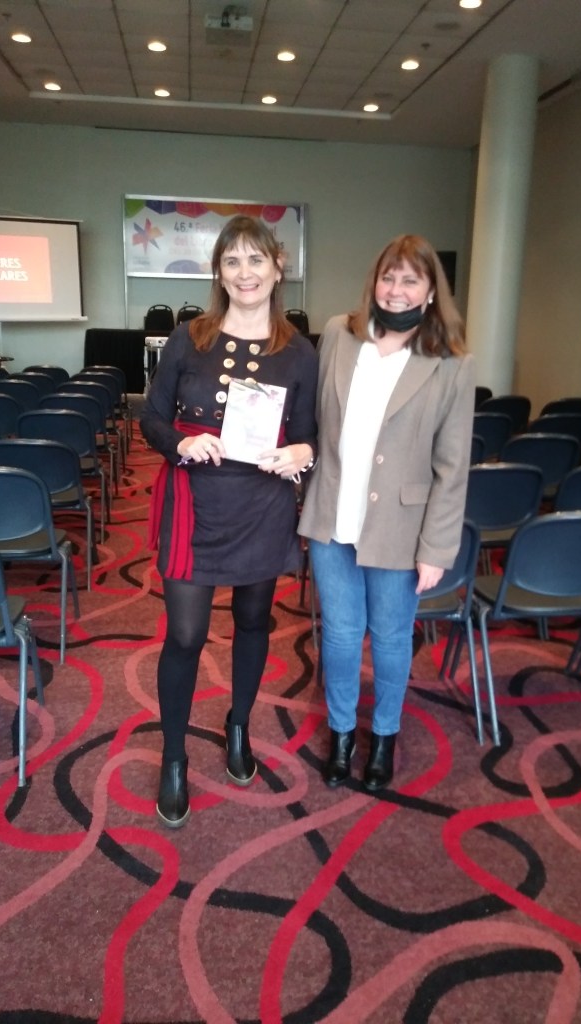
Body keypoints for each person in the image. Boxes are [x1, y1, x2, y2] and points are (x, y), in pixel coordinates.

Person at [140, 215, 318, 828]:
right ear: (219, 272)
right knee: (186, 635)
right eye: (233, 261)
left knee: (252, 621)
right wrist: (180, 443)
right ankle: (174, 757)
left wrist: (303, 452)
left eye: (256, 260)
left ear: (277, 267)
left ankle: (238, 724)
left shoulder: (299, 352)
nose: (245, 273)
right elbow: (151, 417)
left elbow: (308, 434)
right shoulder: (188, 338)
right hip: (195, 501)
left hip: (262, 504)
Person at [298, 234, 474, 792]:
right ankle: (342, 734)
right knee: (341, 635)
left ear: (430, 292)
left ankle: (385, 738)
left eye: (410, 280)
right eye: (388, 277)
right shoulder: (338, 333)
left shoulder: (451, 363)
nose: (396, 290)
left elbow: (453, 467)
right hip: (333, 517)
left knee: (393, 638)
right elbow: (314, 418)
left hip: (402, 527)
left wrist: (436, 549)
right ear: (374, 281)